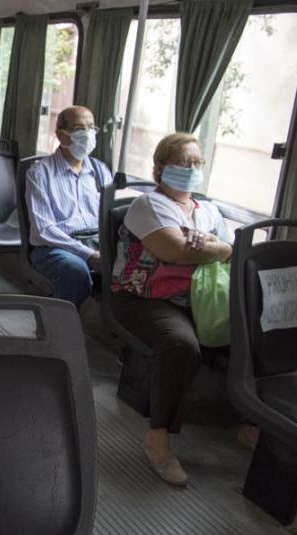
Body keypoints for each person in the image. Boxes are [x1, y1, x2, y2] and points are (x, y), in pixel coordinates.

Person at [110, 132, 233, 488]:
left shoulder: (207, 210)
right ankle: (158, 439)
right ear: (161, 168)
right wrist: (214, 246)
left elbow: (232, 250)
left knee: (252, 330)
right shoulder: (149, 205)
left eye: (197, 163)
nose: (191, 169)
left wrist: (213, 246)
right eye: (183, 163)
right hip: (143, 299)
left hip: (196, 298)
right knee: (181, 344)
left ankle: (249, 423)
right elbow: (174, 251)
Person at [25, 105, 113, 308]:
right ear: (60, 135)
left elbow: (109, 217)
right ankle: (59, 331)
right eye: (79, 129)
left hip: (97, 241)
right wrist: (87, 254)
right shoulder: (40, 173)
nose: (88, 135)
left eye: (91, 128)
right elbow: (44, 229)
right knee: (74, 269)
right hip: (55, 246)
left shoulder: (100, 170)